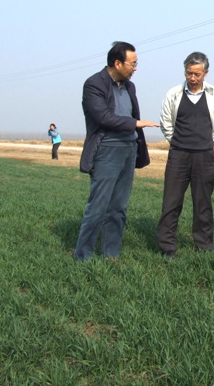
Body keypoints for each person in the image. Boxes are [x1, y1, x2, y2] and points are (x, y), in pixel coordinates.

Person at [74, 41, 159, 261]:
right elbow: (103, 117)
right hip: (107, 150)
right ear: (117, 63)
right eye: (133, 63)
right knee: (98, 206)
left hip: (129, 149)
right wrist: (136, 123)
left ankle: (110, 254)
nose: (136, 68)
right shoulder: (94, 84)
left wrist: (134, 132)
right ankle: (83, 256)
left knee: (119, 207)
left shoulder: (130, 87)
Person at [157, 52, 214, 258]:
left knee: (202, 203)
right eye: (189, 73)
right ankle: (167, 247)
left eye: (197, 74)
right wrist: (177, 142)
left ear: (206, 73)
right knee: (171, 203)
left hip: (204, 156)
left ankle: (203, 246)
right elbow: (166, 123)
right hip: (178, 155)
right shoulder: (173, 93)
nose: (193, 78)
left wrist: (206, 143)